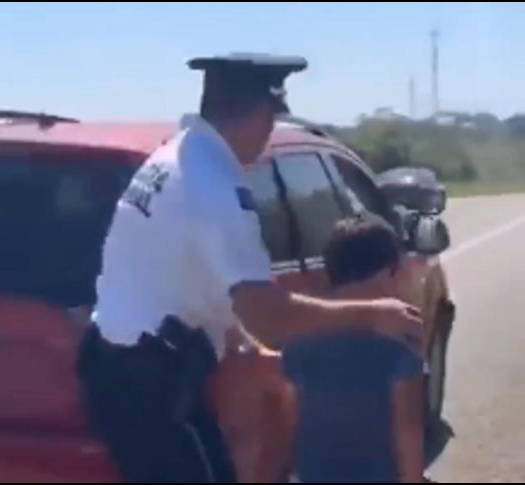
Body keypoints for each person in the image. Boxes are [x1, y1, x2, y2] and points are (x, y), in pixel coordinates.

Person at [76, 54, 423, 483]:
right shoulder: (214, 187)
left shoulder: (177, 154)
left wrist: (241, 341)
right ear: (260, 114)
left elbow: (196, 273)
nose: (269, 132)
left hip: (126, 364)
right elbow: (267, 313)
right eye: (272, 119)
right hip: (148, 383)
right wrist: (372, 314)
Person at [284, 216, 425, 483]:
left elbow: (289, 417)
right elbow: (407, 427)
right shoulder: (399, 337)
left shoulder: (300, 334)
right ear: (389, 272)